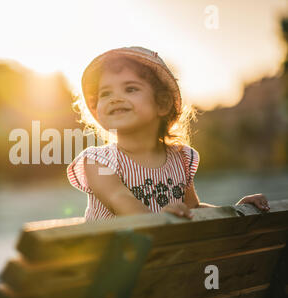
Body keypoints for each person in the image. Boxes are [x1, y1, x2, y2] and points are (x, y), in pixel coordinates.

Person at [67, 46, 270, 220]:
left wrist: (237, 211)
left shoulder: (180, 158)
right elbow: (119, 199)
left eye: (130, 89)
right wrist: (164, 220)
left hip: (165, 260)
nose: (115, 98)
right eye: (106, 93)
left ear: (162, 103)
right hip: (118, 263)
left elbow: (193, 210)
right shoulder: (98, 161)